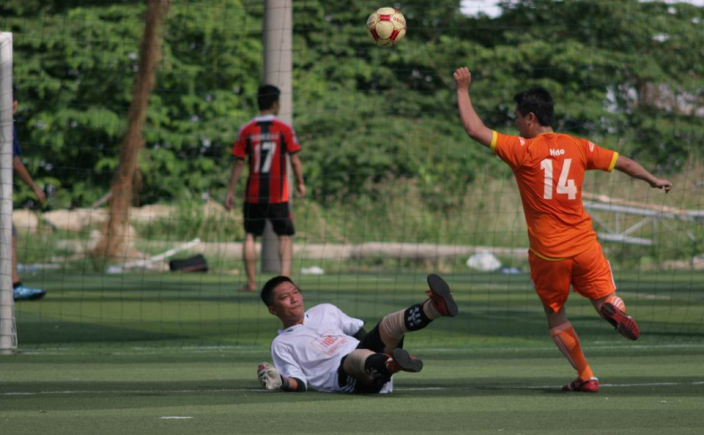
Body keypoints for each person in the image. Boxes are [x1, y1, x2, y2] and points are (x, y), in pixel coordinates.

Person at [454, 67, 672, 393]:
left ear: (530, 118)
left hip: (548, 253)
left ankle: (587, 375)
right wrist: (653, 179)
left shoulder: (521, 150)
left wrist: (462, 88)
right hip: (584, 246)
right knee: (603, 298)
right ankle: (616, 309)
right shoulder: (578, 146)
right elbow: (623, 162)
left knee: (555, 313)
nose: (514, 123)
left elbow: (474, 129)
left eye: (516, 117)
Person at [256, 274, 458, 394]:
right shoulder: (281, 343)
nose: (294, 299)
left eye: (295, 292)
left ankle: (434, 308)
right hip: (346, 377)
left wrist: (380, 341)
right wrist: (280, 380)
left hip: (369, 363)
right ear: (273, 309)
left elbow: (359, 331)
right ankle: (389, 363)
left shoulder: (325, 310)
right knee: (355, 358)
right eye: (285, 297)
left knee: (389, 324)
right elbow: (300, 383)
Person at [225, 84, 306, 292]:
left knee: (250, 235)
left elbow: (239, 163)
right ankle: (286, 282)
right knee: (284, 236)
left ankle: (251, 283)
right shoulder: (284, 129)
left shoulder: (246, 130)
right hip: (278, 195)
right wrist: (300, 183)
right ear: (274, 103)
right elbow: (295, 161)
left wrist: (231, 191)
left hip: (253, 194)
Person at [0, 91, 47, 301]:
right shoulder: (5, 126)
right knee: (4, 238)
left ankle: (14, 285)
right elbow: (14, 161)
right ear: (14, 104)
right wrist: (35, 187)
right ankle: (14, 286)